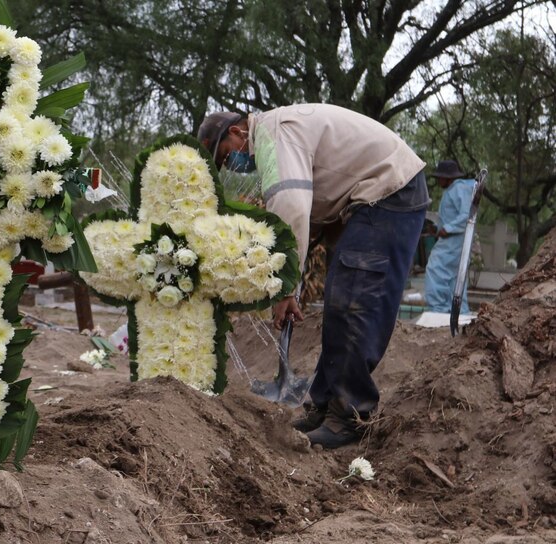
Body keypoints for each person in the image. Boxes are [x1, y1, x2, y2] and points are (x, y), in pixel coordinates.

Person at [198, 104, 429, 449]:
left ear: (236, 133)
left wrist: (285, 289)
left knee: (354, 300)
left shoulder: (273, 135)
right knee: (340, 296)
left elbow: (292, 208)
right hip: (373, 196)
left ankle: (350, 415)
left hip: (390, 190)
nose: (232, 166)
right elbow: (311, 210)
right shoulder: (274, 135)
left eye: (226, 157)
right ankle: (323, 405)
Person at [423, 160, 477, 314]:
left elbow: (468, 213)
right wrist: (437, 228)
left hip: (454, 240)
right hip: (455, 240)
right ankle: (459, 312)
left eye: (440, 177)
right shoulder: (453, 190)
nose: (438, 180)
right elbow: (454, 215)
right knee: (455, 277)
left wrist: (447, 228)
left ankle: (439, 309)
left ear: (448, 177)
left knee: (435, 269)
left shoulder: (459, 188)